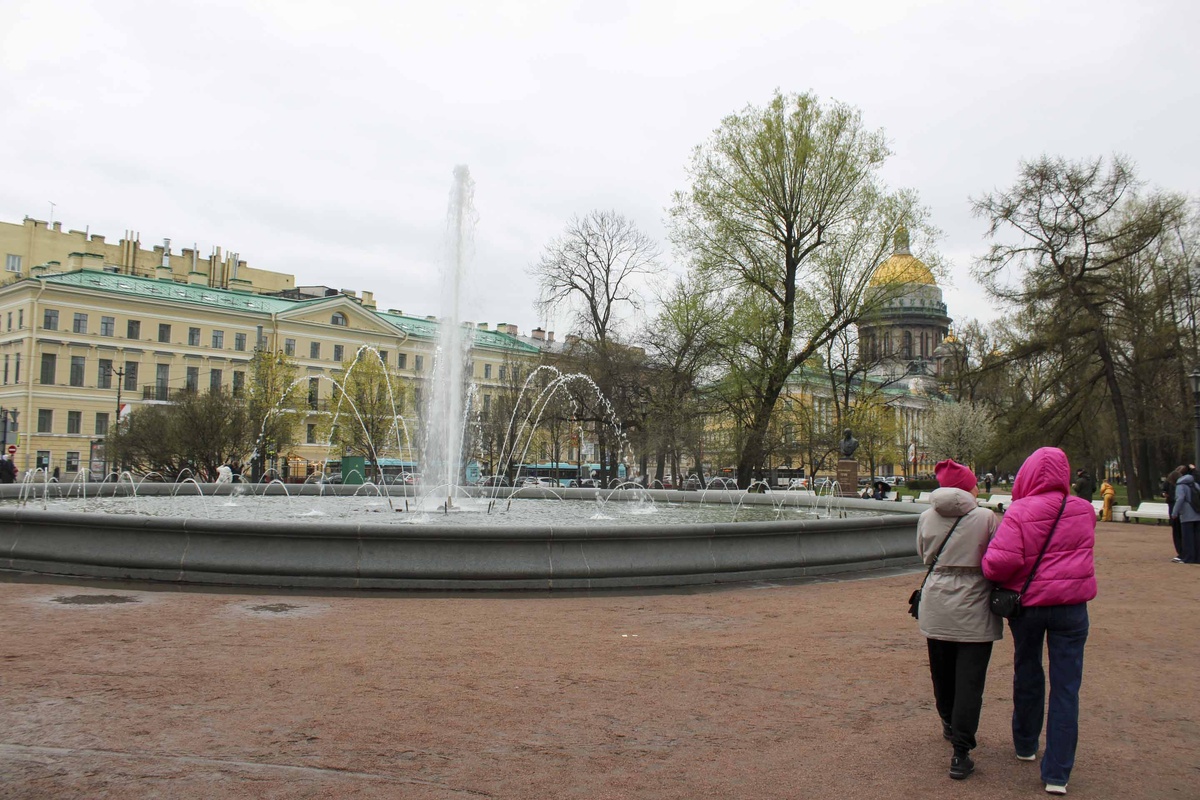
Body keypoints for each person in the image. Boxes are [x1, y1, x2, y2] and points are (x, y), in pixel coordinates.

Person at [982, 447, 1097, 796]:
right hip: (1071, 607)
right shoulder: (1083, 509)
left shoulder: (1020, 511)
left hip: (1029, 606)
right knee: (1067, 687)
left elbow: (999, 564)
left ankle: (1026, 743)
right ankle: (1058, 773)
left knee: (1028, 670)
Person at [915, 458, 1001, 781]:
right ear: (967, 486)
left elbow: (922, 554)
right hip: (974, 602)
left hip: (937, 599)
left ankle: (948, 721)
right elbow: (996, 557)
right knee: (970, 680)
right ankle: (960, 751)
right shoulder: (986, 517)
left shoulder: (926, 516)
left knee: (941, 671)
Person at [1170, 467, 1200, 564]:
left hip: (1187, 514)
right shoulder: (1195, 484)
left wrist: (1174, 512)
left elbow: (1180, 499)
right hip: (1197, 512)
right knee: (1197, 537)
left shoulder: (1180, 485)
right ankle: (1197, 558)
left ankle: (1188, 557)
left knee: (1187, 538)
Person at [1163, 466, 1187, 561]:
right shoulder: (1186, 483)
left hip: (1174, 507)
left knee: (1177, 531)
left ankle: (1181, 552)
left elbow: (1177, 498)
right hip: (1182, 509)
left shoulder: (1175, 484)